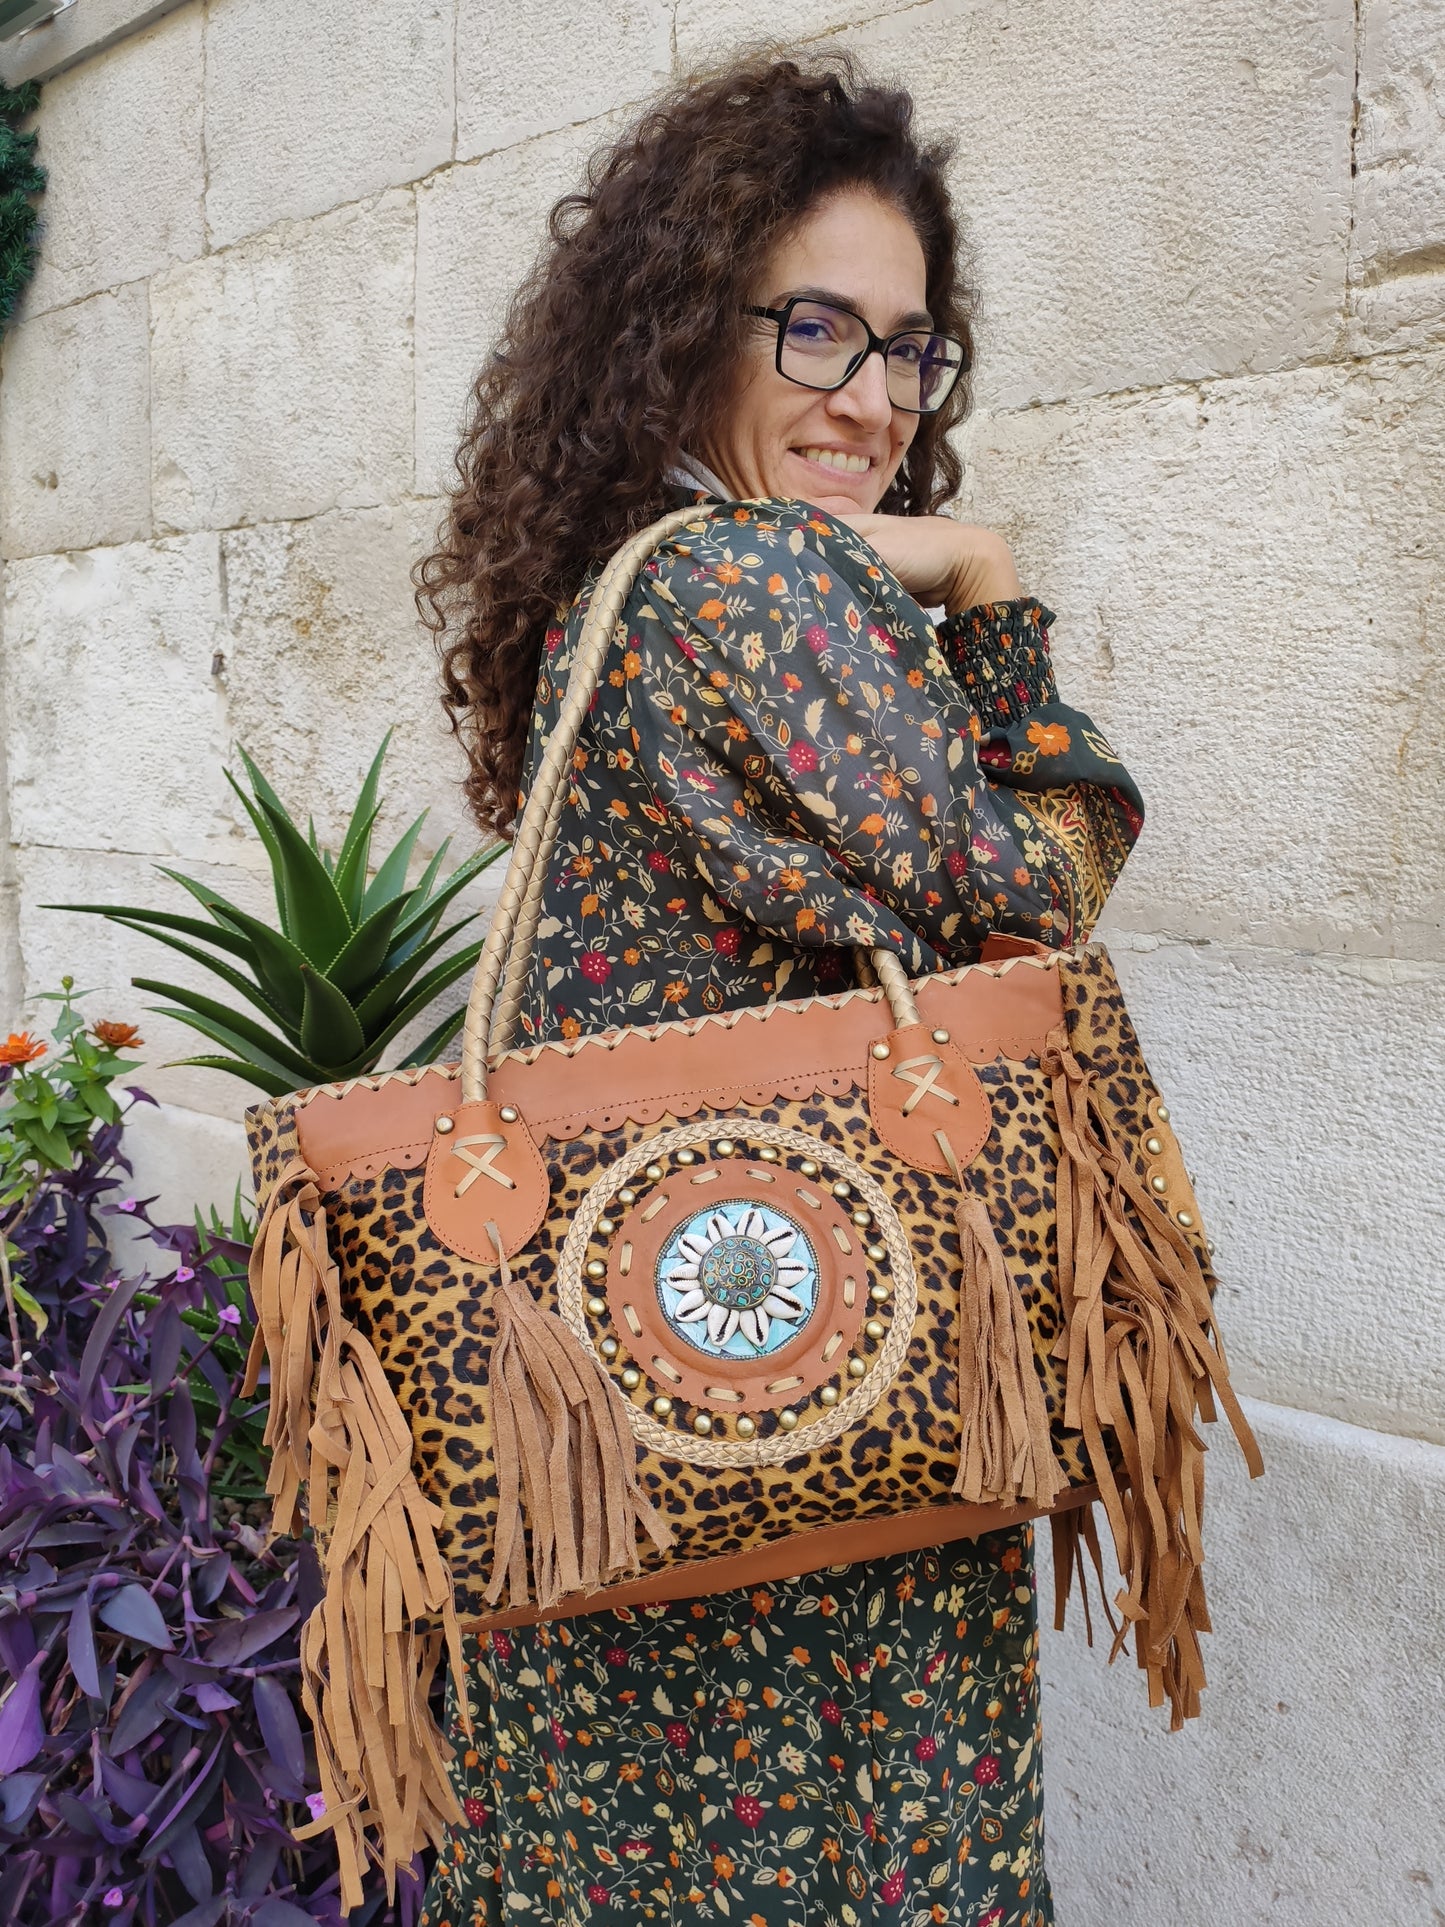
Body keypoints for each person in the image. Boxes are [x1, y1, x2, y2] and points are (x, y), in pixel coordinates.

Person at [415, 52, 1142, 1927]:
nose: (873, 399)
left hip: (622, 1460)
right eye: (814, 330)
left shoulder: (616, 584)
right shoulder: (749, 587)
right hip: (806, 1493)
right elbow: (1037, 883)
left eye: (909, 349)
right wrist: (984, 578)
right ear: (684, 330)